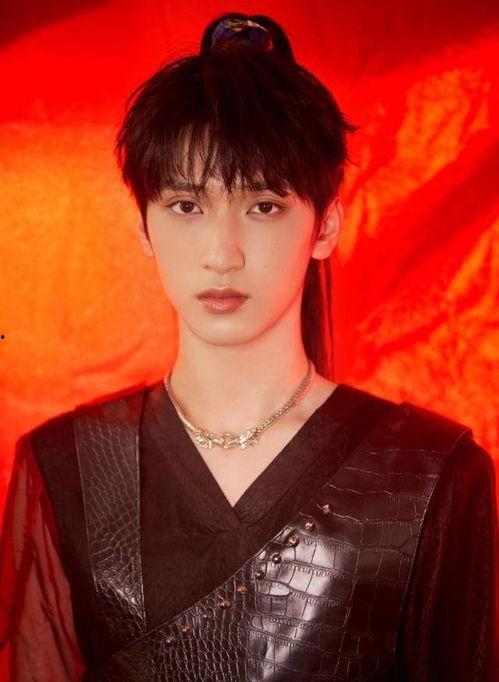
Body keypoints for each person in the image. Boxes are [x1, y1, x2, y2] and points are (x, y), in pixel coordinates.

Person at [0, 11, 497, 682]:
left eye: (263, 206)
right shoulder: (68, 467)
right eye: (186, 205)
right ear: (143, 226)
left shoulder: (428, 475)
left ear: (325, 226)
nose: (222, 253)